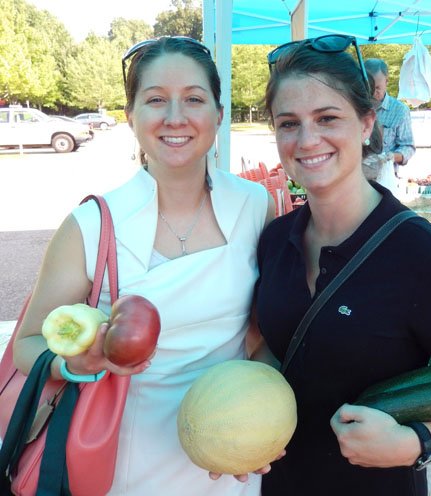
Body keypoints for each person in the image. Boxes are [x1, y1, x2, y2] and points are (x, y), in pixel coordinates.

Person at [12, 37, 275, 495]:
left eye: (194, 98)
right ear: (131, 115)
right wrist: (75, 363)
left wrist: (267, 415)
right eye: (156, 100)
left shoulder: (255, 204)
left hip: (230, 459)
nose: (176, 117)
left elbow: (261, 335)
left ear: (219, 112)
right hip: (123, 459)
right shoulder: (91, 225)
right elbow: (27, 345)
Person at [250, 35, 431, 496]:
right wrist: (241, 422)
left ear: (366, 123)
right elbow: (272, 348)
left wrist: (415, 441)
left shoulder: (422, 254)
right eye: (288, 123)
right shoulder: (275, 239)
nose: (307, 139)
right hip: (281, 482)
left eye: (327, 118)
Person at [363, 58, 415, 177]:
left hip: (386, 177)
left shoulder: (400, 110)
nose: (372, 93)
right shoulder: (354, 107)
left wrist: (391, 157)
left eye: (377, 88)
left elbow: (408, 146)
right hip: (357, 177)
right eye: (368, 88)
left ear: (386, 81)